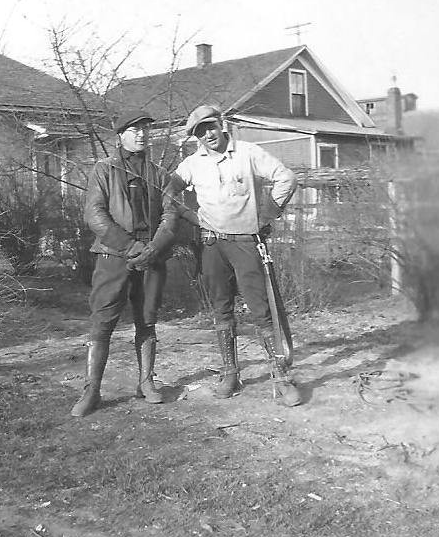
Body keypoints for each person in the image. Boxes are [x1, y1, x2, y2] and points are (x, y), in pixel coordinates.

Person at [172, 105, 306, 407]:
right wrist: (188, 215)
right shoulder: (192, 163)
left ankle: (280, 376)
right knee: (221, 309)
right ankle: (231, 373)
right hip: (211, 246)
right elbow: (168, 189)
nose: (207, 134)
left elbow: (287, 178)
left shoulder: (247, 153)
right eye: (199, 131)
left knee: (261, 310)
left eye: (210, 126)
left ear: (221, 124)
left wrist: (266, 215)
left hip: (246, 243)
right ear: (195, 137)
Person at [71, 110, 179, 417]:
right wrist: (130, 246)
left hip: (152, 258)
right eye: (134, 130)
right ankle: (92, 390)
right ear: (120, 135)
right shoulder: (103, 170)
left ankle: (146, 382)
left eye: (145, 129)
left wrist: (153, 248)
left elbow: (171, 216)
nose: (141, 135)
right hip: (113, 256)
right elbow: (95, 215)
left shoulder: (160, 174)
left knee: (147, 320)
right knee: (102, 321)